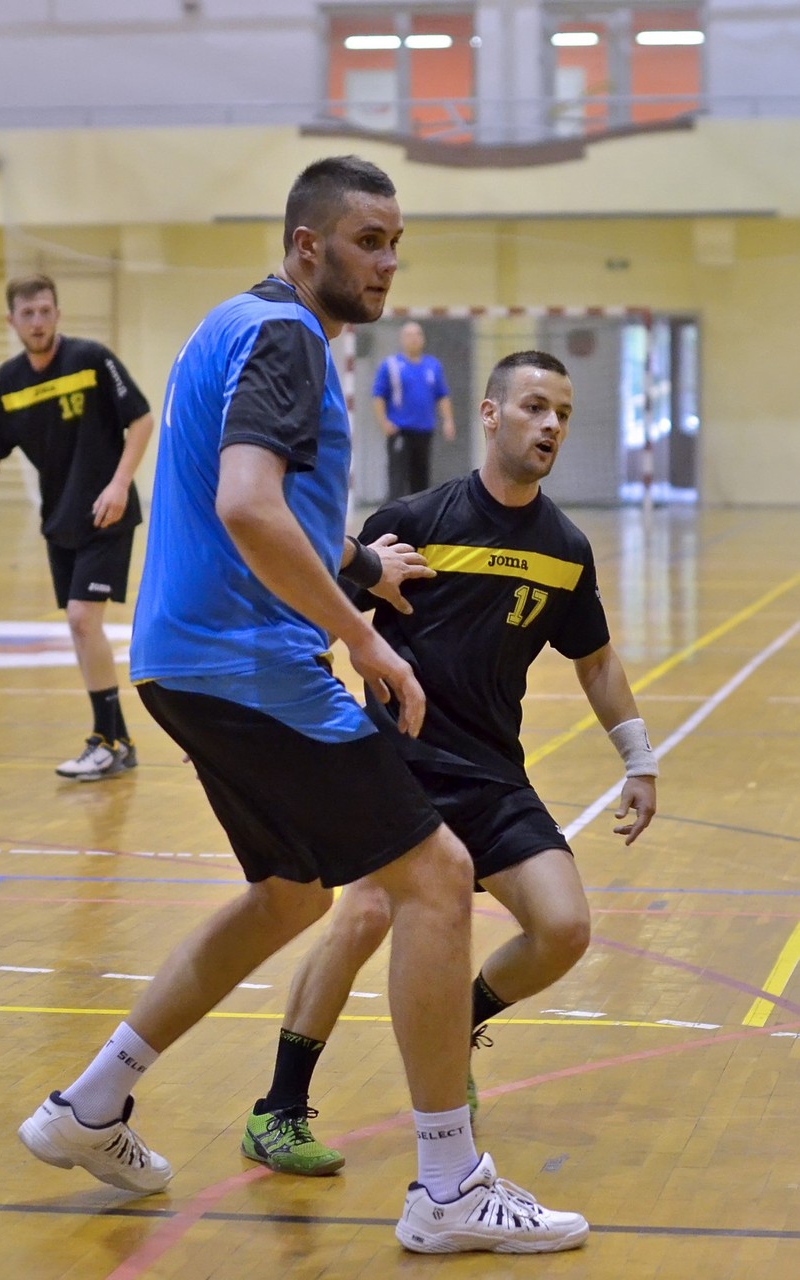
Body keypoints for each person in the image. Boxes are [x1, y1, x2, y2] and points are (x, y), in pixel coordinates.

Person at [17, 159, 588, 1257]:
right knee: (438, 877)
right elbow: (246, 505)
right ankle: (448, 1183)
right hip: (250, 663)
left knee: (287, 895)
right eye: (368, 240)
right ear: (305, 245)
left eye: (395, 242)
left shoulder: (228, 325)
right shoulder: (288, 337)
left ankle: (89, 1104)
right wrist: (364, 636)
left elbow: (247, 498)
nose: (387, 262)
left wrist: (357, 564)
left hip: (180, 661)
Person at [244, 350, 658, 1176]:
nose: (550, 424)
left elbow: (594, 661)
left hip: (492, 773)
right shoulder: (416, 520)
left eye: (562, 413)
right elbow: (316, 610)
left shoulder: (563, 547)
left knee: (564, 928)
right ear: (490, 413)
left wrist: (637, 759)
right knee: (365, 912)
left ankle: (455, 1023)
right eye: (534, 406)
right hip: (397, 765)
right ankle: (278, 1109)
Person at [0, 274, 154, 782]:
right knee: (79, 626)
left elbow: (141, 419)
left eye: (45, 311)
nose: (38, 322)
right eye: (28, 314)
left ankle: (105, 740)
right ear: (11, 321)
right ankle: (119, 740)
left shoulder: (91, 360)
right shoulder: (8, 382)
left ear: (58, 314)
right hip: (60, 520)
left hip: (107, 514)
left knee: (82, 619)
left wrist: (119, 484)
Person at [372, 320, 456, 500]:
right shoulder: (391, 365)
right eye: (409, 335)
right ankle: (395, 514)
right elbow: (378, 396)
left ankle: (420, 514)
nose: (414, 339)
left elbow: (442, 395)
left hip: (424, 430)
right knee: (398, 479)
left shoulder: (433, 366)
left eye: (418, 334)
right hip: (400, 431)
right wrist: (384, 422)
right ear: (402, 339)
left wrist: (448, 421)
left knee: (421, 480)